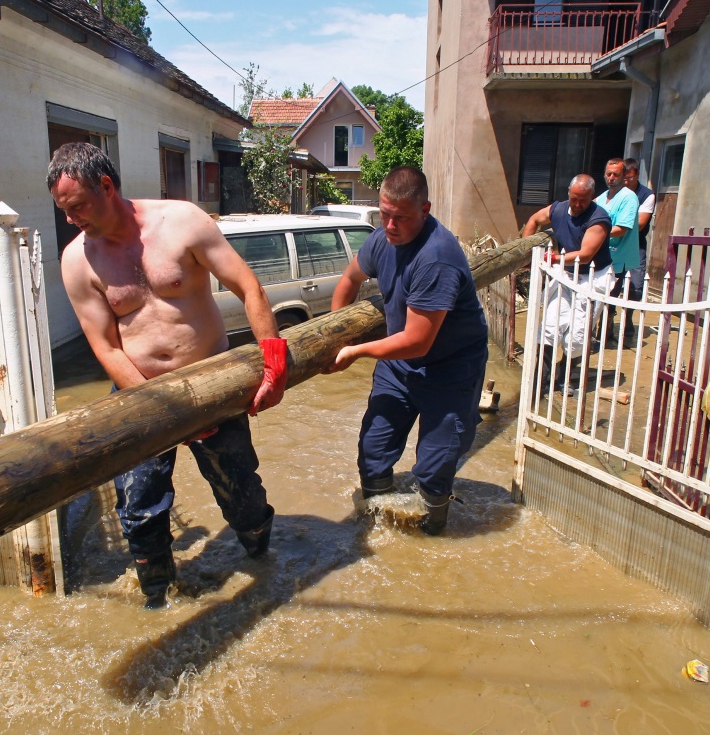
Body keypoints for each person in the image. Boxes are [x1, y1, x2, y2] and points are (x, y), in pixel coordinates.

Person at [47, 142, 288, 609]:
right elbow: (105, 345)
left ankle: (262, 561)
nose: (71, 219)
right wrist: (164, 412)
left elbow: (248, 286)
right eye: (64, 211)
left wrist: (273, 360)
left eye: (77, 206)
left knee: (241, 493)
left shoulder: (182, 222)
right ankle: (158, 599)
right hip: (140, 395)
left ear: (106, 186)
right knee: (139, 509)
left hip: (213, 382)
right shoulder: (78, 260)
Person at [324, 166, 488, 536]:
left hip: (450, 368)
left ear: (425, 209)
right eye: (384, 214)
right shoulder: (382, 238)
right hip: (399, 365)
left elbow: (418, 340)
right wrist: (336, 334)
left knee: (435, 465)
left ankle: (431, 534)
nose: (391, 225)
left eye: (401, 218)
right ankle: (376, 530)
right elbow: (349, 280)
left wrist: (356, 352)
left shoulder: (437, 257)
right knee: (373, 450)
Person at [520, 175, 614, 392]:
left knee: (578, 332)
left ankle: (565, 376)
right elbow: (534, 220)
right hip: (565, 272)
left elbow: (587, 255)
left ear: (592, 197)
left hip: (593, 276)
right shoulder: (559, 209)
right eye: (574, 199)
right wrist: (524, 251)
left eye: (583, 200)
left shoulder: (599, 218)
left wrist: (551, 259)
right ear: (568, 194)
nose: (578, 204)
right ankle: (540, 380)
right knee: (551, 325)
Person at [594, 158, 640, 345]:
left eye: (616, 175)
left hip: (617, 256)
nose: (612, 178)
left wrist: (595, 234)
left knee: (609, 298)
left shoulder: (629, 198)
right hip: (599, 255)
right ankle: (598, 334)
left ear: (624, 176)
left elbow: (622, 228)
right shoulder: (602, 197)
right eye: (609, 174)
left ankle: (605, 335)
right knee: (597, 295)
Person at [623, 157, 655, 333]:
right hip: (615, 243)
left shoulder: (646, 195)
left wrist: (618, 222)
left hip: (635, 243)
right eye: (624, 178)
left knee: (636, 283)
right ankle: (606, 322)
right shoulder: (615, 193)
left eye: (630, 178)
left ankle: (628, 316)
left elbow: (640, 224)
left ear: (637, 175)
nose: (626, 182)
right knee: (609, 282)